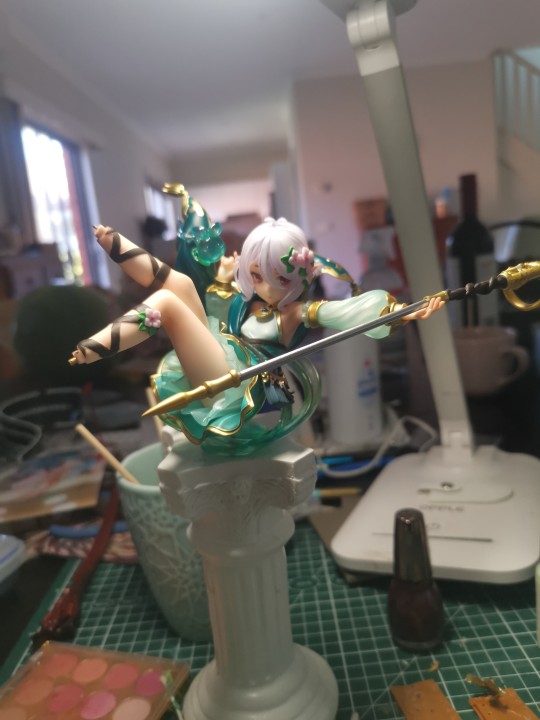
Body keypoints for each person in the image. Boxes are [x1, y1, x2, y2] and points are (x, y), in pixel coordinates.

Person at [70, 188, 444, 451]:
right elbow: (214, 304)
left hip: (244, 385)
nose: (264, 286)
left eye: (278, 279)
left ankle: (96, 348)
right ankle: (114, 243)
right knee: (180, 284)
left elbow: (344, 311)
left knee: (168, 304)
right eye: (256, 275)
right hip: (222, 356)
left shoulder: (295, 313)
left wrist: (399, 312)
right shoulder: (246, 300)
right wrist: (222, 280)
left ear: (300, 279)